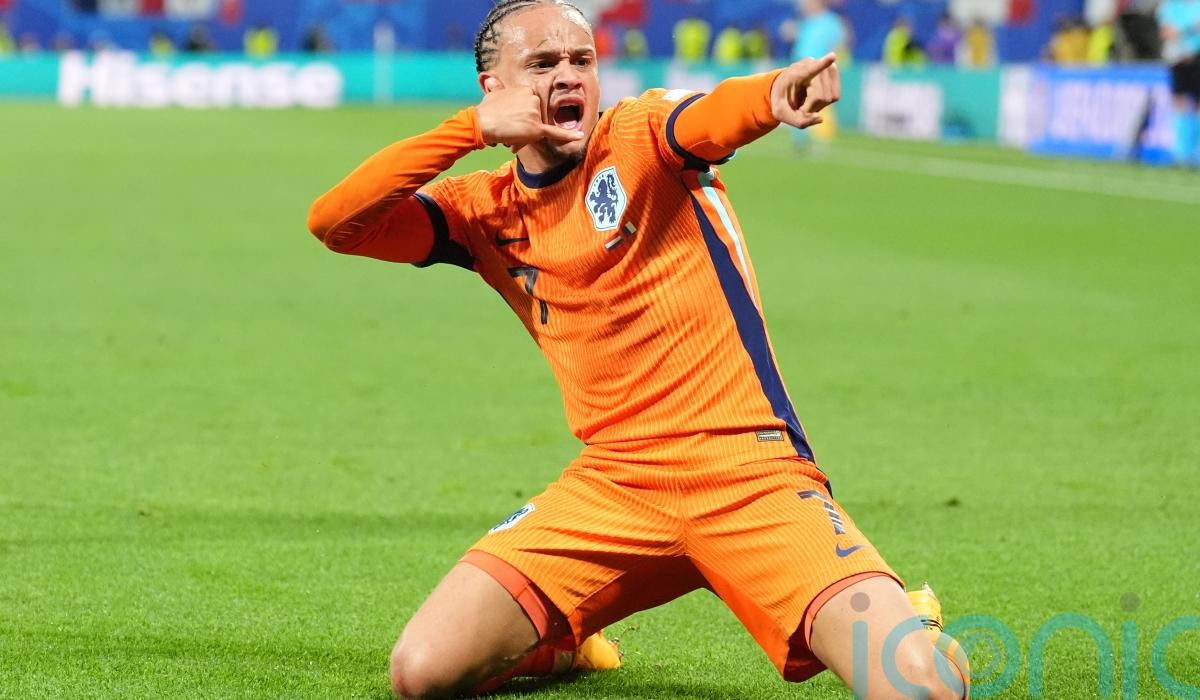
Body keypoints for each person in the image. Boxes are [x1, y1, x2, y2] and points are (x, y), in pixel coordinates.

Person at [307, 1, 972, 698]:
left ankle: (918, 633)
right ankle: (563, 648)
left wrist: (776, 92)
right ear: (493, 87)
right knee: (420, 671)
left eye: (582, 60)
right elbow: (336, 223)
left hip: (749, 475)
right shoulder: (481, 211)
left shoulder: (643, 133)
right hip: (614, 486)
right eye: (542, 64)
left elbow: (716, 115)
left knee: (919, 687)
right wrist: (468, 131)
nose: (569, 76)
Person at [1158, 0, 1200, 166]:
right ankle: (1181, 151)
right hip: (1178, 60)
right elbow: (1166, 32)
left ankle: (1195, 150)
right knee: (1180, 102)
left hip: (1197, 59)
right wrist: (1190, 28)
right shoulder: (1171, 5)